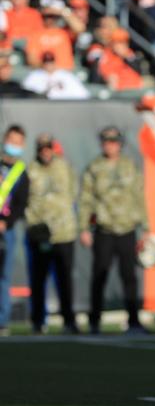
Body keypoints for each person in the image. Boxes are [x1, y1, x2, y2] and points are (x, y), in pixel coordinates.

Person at [78, 127, 150, 334]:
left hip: (127, 229)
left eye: (114, 141)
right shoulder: (94, 167)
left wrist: (145, 226)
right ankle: (94, 321)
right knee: (99, 275)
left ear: (120, 144)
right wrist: (84, 228)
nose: (110, 145)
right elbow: (86, 200)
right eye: (106, 141)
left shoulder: (129, 166)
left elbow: (139, 196)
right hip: (104, 230)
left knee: (129, 277)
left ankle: (134, 321)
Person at [25, 133, 79, 334]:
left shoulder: (64, 167)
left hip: (63, 233)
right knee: (38, 280)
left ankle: (69, 321)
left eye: (48, 147)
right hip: (39, 233)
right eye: (42, 148)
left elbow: (73, 192)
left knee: (65, 280)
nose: (45, 151)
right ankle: (38, 322)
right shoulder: (31, 169)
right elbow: (25, 199)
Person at [0, 126, 30, 337]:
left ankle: (2, 320)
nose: (14, 145)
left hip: (6, 230)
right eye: (11, 140)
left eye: (18, 142)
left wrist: (6, 222)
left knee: (4, 275)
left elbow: (20, 204)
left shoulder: (21, 172)